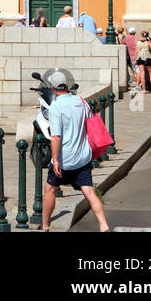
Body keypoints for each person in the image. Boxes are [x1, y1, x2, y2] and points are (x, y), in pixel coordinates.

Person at [42, 70, 109, 233]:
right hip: (82, 156)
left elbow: (56, 136)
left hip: (65, 159)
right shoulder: (80, 100)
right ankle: (103, 225)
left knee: (50, 188)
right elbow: (90, 121)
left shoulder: (56, 107)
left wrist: (55, 160)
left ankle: (45, 226)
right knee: (89, 191)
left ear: (52, 88)